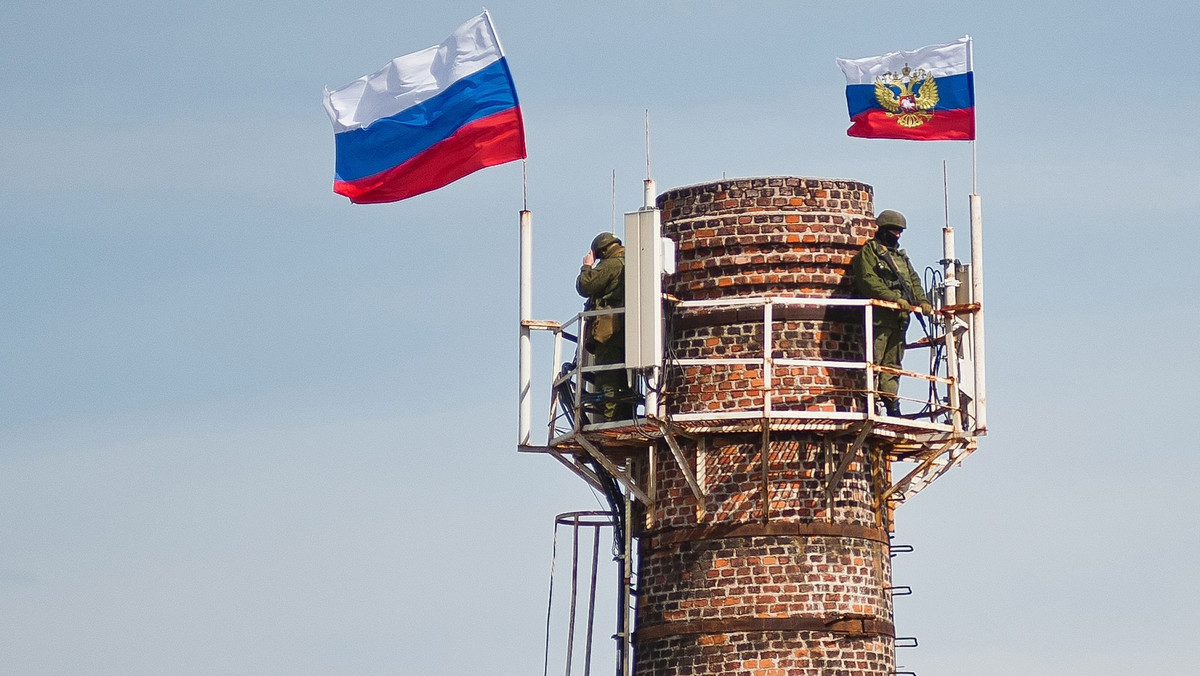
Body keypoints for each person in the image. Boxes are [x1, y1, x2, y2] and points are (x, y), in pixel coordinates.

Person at [850, 210, 933, 417]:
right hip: (879, 317)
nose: (897, 234)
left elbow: (913, 281)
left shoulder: (901, 257)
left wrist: (922, 301)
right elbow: (868, 280)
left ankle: (891, 403)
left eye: (900, 231)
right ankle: (870, 401)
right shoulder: (870, 253)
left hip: (899, 319)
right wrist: (893, 298)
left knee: (893, 364)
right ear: (883, 229)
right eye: (894, 230)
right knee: (874, 361)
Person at [576, 232, 630, 421]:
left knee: (607, 376)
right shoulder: (629, 261)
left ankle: (611, 418)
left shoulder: (612, 264)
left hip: (609, 329)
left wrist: (587, 266)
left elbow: (585, 286)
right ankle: (622, 415)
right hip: (625, 328)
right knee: (621, 376)